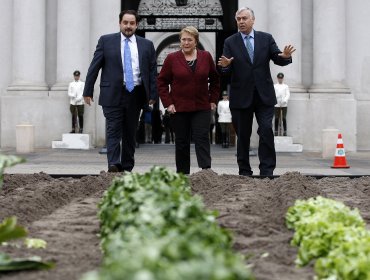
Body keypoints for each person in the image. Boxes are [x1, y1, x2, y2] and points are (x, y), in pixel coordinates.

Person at [217, 7, 295, 176]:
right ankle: (244, 171)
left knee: (266, 129)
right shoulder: (230, 42)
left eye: (244, 18)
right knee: (243, 136)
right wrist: (224, 67)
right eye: (238, 19)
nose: (241, 22)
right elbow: (225, 69)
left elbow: (277, 57)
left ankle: (267, 171)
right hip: (240, 96)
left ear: (253, 20)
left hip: (264, 96)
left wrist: (285, 56)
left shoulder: (266, 39)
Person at [83, 10, 157, 173]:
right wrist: (87, 90)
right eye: (125, 23)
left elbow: (152, 71)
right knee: (113, 130)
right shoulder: (106, 41)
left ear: (136, 25)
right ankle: (114, 164)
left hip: (136, 94)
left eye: (132, 23)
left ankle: (127, 166)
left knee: (130, 133)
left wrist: (152, 94)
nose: (128, 26)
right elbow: (94, 67)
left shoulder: (147, 45)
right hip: (112, 93)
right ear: (120, 23)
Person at [158, 26, 220, 175]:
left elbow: (215, 80)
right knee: (181, 142)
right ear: (180, 41)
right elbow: (161, 82)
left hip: (201, 107)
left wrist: (213, 100)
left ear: (196, 41)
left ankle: (206, 171)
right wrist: (168, 103)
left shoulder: (205, 56)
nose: (186, 42)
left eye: (189, 40)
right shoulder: (171, 58)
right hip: (179, 108)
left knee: (202, 138)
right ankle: (182, 174)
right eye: (183, 39)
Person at [274, 72, 290, 136]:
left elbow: (288, 94)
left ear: (283, 78)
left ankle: (285, 131)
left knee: (283, 118)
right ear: (277, 78)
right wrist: (276, 100)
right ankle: (276, 130)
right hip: (277, 104)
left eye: (281, 78)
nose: (280, 79)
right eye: (279, 78)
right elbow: (273, 94)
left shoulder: (285, 86)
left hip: (284, 104)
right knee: (276, 118)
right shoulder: (275, 86)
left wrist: (285, 100)